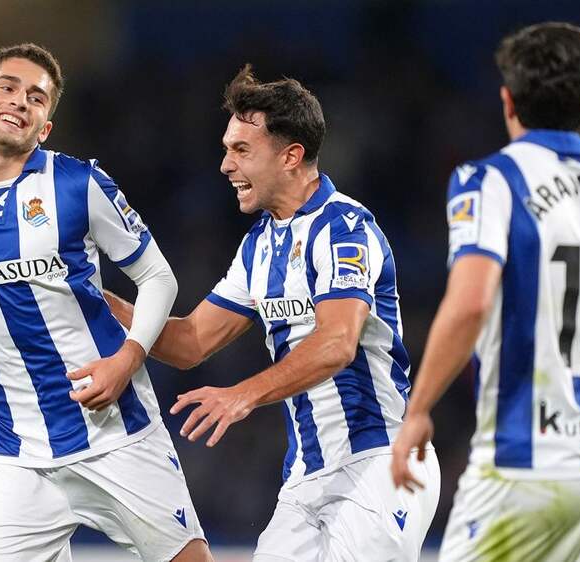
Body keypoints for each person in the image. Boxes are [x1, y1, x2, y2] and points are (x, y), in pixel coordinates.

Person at [105, 65, 441, 561]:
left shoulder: (345, 228)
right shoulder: (259, 245)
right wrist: (96, 299)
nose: (226, 165)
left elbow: (337, 343)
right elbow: (190, 342)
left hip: (379, 460)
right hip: (306, 477)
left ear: (290, 156)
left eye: (241, 150)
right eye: (227, 149)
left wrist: (242, 395)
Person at [0, 43, 211, 561]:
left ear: (45, 127)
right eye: (8, 87)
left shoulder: (78, 184)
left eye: (36, 97)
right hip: (17, 452)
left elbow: (158, 277)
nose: (20, 101)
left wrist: (126, 359)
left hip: (116, 432)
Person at [391, 22, 580, 561]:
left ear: (508, 100)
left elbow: (470, 302)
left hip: (529, 469)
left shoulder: (490, 180)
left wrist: (418, 409)